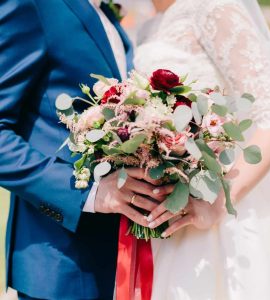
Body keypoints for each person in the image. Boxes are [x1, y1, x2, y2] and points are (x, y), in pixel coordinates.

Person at [0, 0, 170, 299]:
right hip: (61, 260)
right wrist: (88, 193)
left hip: (121, 257)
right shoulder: (33, 5)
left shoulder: (108, 14)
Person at [134, 0, 270, 299]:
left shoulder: (213, 7)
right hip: (162, 218)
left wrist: (220, 200)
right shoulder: (146, 23)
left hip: (214, 225)